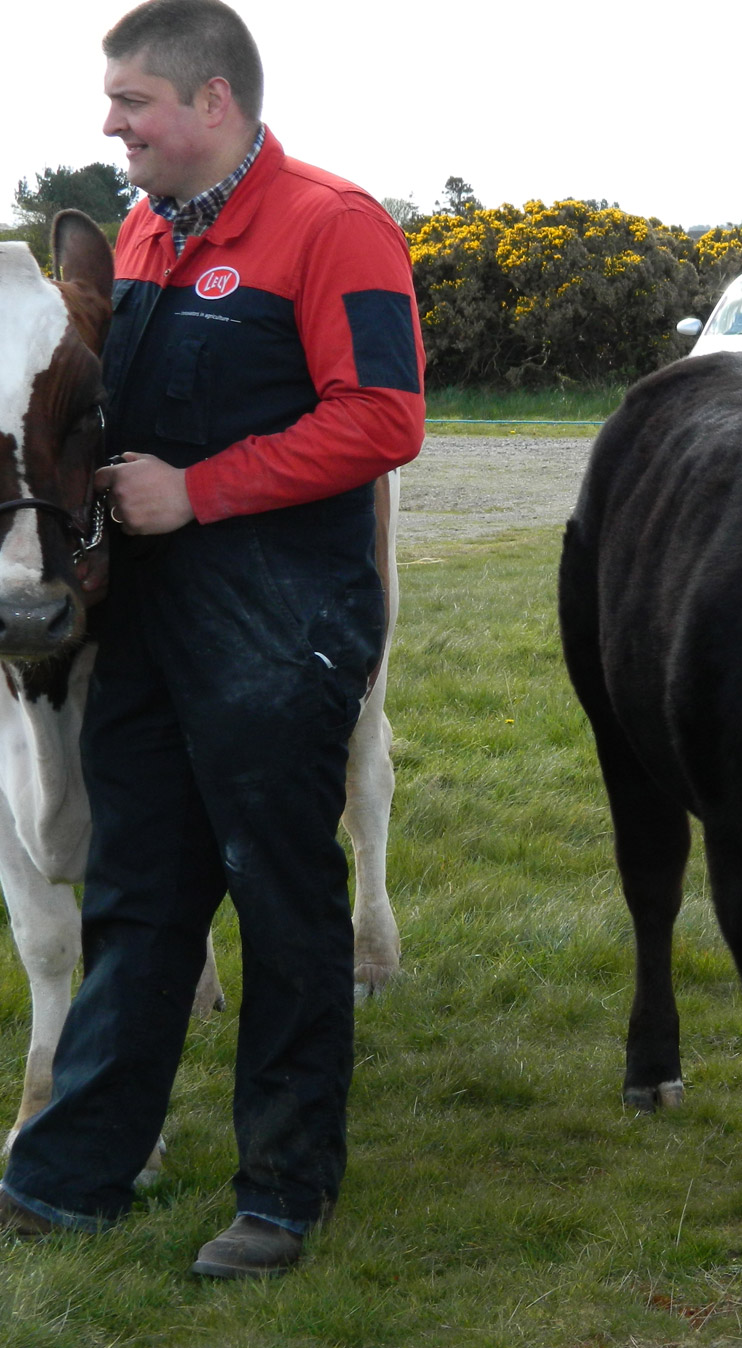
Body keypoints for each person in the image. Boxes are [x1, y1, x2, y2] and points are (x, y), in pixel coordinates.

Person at [0, 0, 424, 1279]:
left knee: (284, 904)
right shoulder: (139, 233)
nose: (110, 123)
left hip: (284, 619)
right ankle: (70, 1175)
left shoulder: (333, 226)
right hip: (151, 619)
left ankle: (284, 1193)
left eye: (131, 100)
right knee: (137, 895)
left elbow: (386, 418)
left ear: (212, 104)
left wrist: (201, 490)